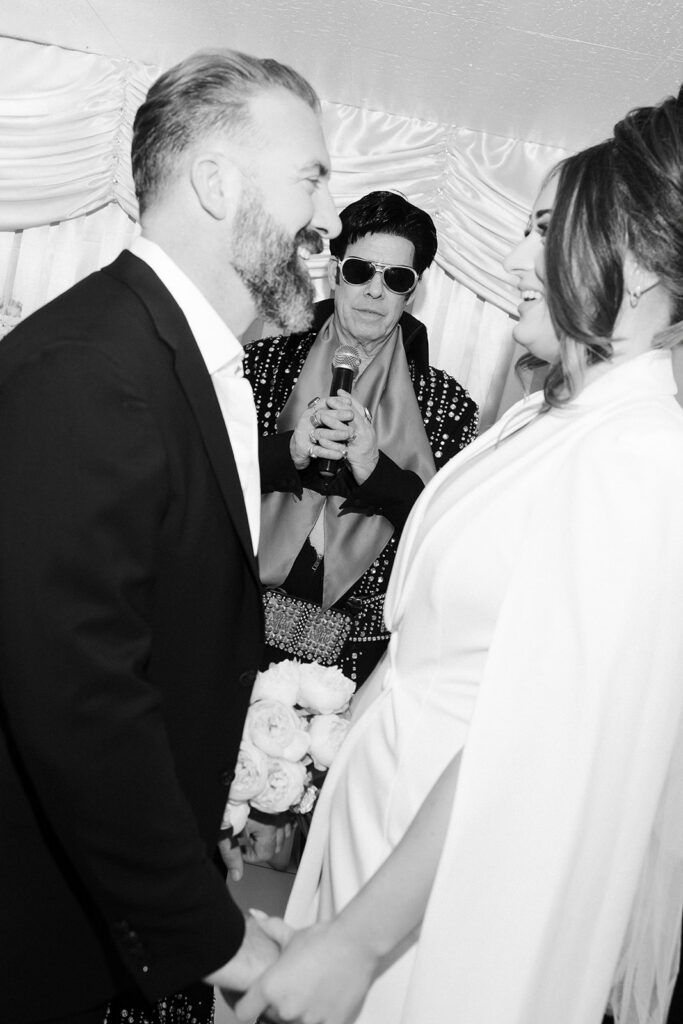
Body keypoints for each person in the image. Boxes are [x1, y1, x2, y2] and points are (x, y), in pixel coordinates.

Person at [235, 86, 683, 1024]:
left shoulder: (638, 452)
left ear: (636, 266)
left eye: (543, 228)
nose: (519, 256)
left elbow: (537, 740)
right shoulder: (544, 414)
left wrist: (357, 943)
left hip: (445, 885)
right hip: (380, 826)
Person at [0, 48, 340, 1024]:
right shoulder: (91, 369)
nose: (326, 214)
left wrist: (199, 848)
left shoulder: (178, 359)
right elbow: (79, 696)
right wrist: (214, 935)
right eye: (311, 175)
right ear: (216, 180)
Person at [244, 190, 478, 687]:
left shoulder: (448, 408)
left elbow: (451, 538)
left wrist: (376, 469)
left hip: (355, 655)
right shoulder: (262, 366)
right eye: (359, 271)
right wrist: (290, 450)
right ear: (334, 271)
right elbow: (203, 472)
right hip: (230, 618)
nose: (375, 290)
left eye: (395, 278)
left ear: (411, 291)